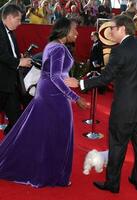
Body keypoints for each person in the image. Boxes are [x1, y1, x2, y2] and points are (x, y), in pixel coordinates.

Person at [65, 14, 137, 193]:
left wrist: (81, 83)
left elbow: (106, 78)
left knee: (117, 146)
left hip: (124, 110)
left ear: (122, 29)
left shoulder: (119, 50)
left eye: (112, 28)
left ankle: (113, 184)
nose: (110, 32)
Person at [0, 17, 87, 188]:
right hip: (53, 96)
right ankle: (51, 173)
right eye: (74, 30)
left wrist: (68, 79)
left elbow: (56, 73)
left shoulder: (56, 46)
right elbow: (54, 76)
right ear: (64, 30)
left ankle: (47, 170)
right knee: (57, 135)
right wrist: (76, 98)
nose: (77, 33)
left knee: (43, 134)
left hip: (49, 93)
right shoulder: (58, 48)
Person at [0, 4, 32, 135]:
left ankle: (9, 144)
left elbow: (10, 53)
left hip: (10, 84)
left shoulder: (10, 32)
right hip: (1, 83)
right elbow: (2, 55)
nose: (20, 23)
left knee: (16, 119)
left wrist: (20, 57)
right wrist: (19, 62)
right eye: (18, 19)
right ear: (8, 17)